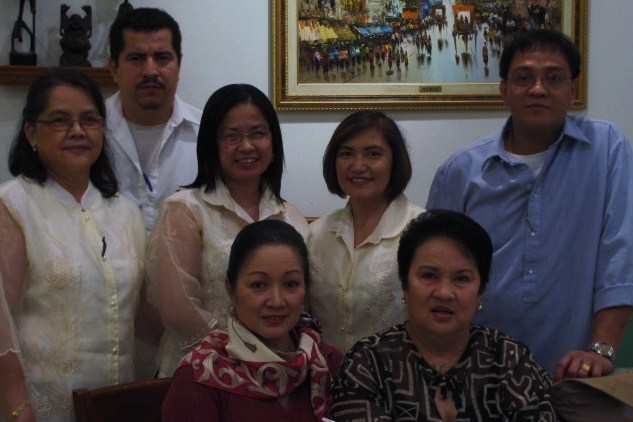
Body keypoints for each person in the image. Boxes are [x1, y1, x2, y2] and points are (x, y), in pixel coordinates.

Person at [426, 30, 633, 378]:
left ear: (574, 89)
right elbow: (433, 274)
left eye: (553, 77)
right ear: (503, 90)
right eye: (524, 78)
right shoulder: (461, 170)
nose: (538, 88)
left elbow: (619, 254)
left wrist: (601, 350)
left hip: (573, 369)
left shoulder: (606, 148)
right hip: (475, 369)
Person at [0, 68, 146, 421]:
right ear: (31, 132)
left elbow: (144, 316)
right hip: (40, 407)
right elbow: (2, 325)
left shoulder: (126, 211)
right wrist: (19, 409)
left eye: (89, 120)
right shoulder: (14, 206)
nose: (77, 131)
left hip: (115, 403)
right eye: (60, 121)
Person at [146, 84, 310, 377]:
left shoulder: (292, 217)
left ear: (273, 143)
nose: (246, 146)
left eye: (257, 133)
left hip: (277, 374)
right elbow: (177, 309)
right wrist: (243, 356)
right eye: (231, 136)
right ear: (211, 144)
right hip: (199, 372)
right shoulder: (185, 210)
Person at [330, 210, 557, 421]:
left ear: (480, 292)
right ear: (404, 286)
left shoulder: (510, 359)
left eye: (462, 278)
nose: (445, 293)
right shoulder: (367, 362)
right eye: (429, 275)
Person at [162, 220, 342, 421]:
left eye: (291, 284)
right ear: (231, 289)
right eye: (258, 285)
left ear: (306, 288)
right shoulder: (198, 377)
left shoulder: (329, 362)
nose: (276, 301)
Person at [309, 110, 424, 352]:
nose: (358, 166)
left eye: (373, 154)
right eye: (347, 154)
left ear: (395, 162)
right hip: (325, 381)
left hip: (396, 381)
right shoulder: (315, 235)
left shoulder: (423, 232)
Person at [107, 7, 201, 232]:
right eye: (136, 58)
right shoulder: (87, 133)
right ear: (113, 68)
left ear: (179, 65)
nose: (150, 70)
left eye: (162, 57)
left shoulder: (207, 134)